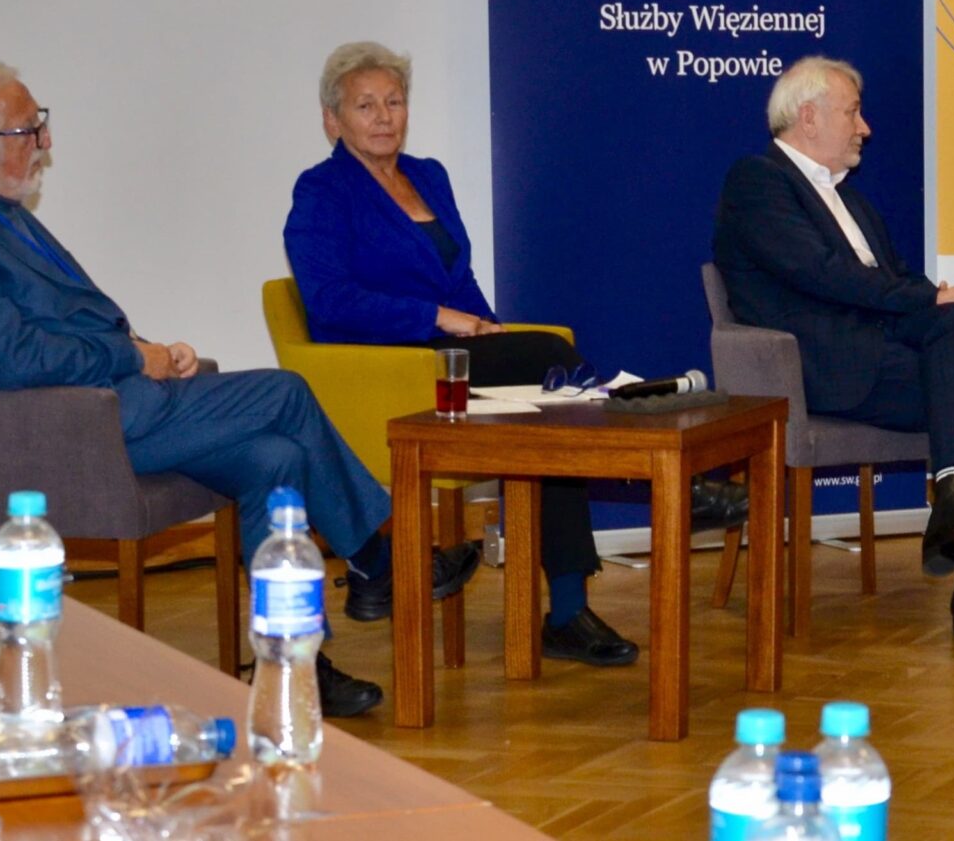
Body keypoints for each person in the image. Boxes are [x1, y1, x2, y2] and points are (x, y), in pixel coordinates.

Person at [0, 62, 478, 717]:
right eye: (30, 128)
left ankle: (292, 664)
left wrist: (153, 350)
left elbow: (68, 323)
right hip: (65, 432)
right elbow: (16, 358)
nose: (45, 142)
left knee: (276, 458)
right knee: (285, 393)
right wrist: (130, 356)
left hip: (111, 402)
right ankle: (378, 562)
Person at [282, 42, 746, 668]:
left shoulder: (428, 176)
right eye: (365, 105)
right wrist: (437, 317)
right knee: (549, 356)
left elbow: (459, 278)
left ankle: (568, 611)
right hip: (388, 366)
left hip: (450, 355)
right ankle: (661, 482)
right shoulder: (321, 191)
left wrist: (489, 328)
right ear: (332, 120)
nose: (384, 116)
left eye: (394, 101)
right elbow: (329, 299)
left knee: (555, 409)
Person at [712, 57, 954, 650]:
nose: (865, 128)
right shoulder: (758, 181)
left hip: (884, 355)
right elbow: (821, 273)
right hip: (821, 368)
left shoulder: (852, 202)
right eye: (853, 113)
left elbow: (897, 282)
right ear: (808, 117)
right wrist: (935, 297)